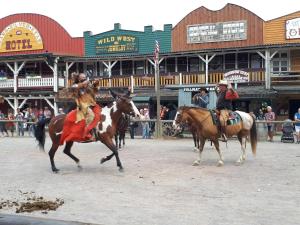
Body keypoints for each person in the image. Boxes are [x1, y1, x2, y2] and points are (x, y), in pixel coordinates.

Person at [60, 72, 101, 144]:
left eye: (85, 77)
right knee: (91, 115)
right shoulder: (75, 85)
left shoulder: (88, 86)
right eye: (82, 77)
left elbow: (95, 90)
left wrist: (96, 83)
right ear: (79, 79)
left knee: (99, 115)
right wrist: (86, 82)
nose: (84, 78)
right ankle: (86, 132)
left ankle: (97, 132)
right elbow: (77, 87)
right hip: (82, 105)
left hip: (91, 103)